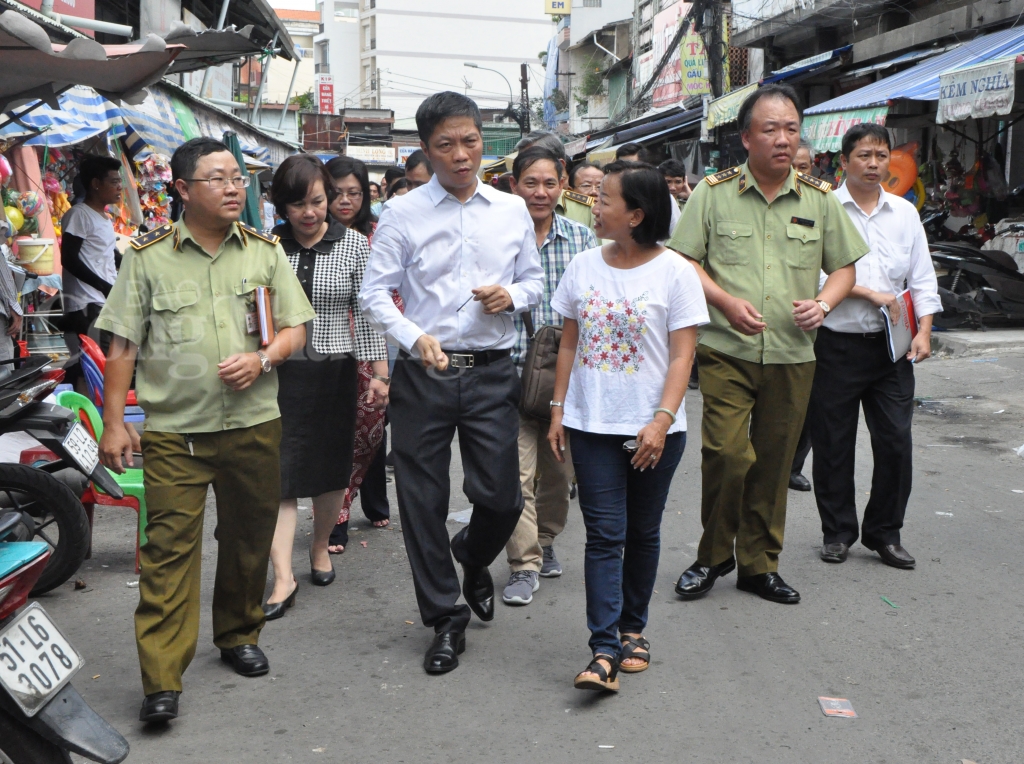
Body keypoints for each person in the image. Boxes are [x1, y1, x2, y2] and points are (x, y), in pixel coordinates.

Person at [95, 137, 315, 723]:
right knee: (167, 551)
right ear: (184, 189)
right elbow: (120, 344)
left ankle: (239, 635)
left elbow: (295, 328)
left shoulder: (265, 253)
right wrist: (115, 423)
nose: (232, 187)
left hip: (253, 425)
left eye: (237, 178)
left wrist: (263, 359)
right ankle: (162, 680)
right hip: (175, 434)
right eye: (217, 178)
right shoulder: (147, 258)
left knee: (248, 540)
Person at [359, 91, 543, 675]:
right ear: (425, 150)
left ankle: (471, 553)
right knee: (422, 500)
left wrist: (511, 295)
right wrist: (414, 338)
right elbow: (373, 293)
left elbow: (535, 283)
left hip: (491, 374)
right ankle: (445, 617)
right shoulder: (403, 214)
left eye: (470, 141)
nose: (461, 155)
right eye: (446, 145)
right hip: (424, 375)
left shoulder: (511, 210)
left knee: (502, 497)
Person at [667, 84, 868, 606]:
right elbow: (685, 260)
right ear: (746, 137)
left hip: (793, 354)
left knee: (775, 462)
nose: (783, 139)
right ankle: (712, 556)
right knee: (728, 454)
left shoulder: (820, 201)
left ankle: (759, 564)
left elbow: (844, 267)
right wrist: (726, 301)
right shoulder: (712, 193)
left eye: (791, 129)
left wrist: (822, 304)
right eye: (770, 129)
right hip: (727, 349)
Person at [547, 161, 708, 691]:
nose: (594, 206)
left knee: (642, 531)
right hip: (592, 424)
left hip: (657, 428)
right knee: (604, 535)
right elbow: (568, 342)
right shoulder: (583, 267)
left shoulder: (677, 272)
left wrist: (660, 421)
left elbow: (683, 358)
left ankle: (633, 627)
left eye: (605, 200)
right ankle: (604, 646)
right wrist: (558, 408)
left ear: (636, 215)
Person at [808, 123, 941, 569]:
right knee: (833, 444)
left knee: (895, 442)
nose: (873, 164)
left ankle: (885, 533)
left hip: (892, 348)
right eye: (864, 155)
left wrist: (923, 331)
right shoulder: (823, 208)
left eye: (881, 156)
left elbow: (921, 279)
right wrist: (867, 292)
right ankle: (838, 532)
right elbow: (814, 277)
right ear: (843, 161)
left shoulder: (905, 213)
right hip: (836, 346)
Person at [263, 155, 389, 619]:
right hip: (277, 371)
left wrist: (379, 374)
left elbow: (371, 313)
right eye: (297, 205)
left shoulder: (355, 245)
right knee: (280, 474)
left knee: (329, 470)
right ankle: (282, 576)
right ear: (282, 206)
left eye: (317, 201)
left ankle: (318, 547)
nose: (310, 212)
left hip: (335, 370)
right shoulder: (267, 245)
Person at [502, 145, 597, 606]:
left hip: (565, 381)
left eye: (549, 183)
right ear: (513, 184)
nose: (540, 192)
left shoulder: (581, 239)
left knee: (558, 473)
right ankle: (524, 564)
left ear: (563, 186)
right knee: (515, 476)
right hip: (508, 374)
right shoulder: (497, 237)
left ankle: (548, 537)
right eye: (530, 183)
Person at [323, 155, 393, 553]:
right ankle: (338, 515)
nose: (345, 201)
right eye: (336, 193)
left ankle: (374, 501)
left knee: (371, 429)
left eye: (354, 192)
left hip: (376, 345)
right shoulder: (309, 236)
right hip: (326, 351)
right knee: (339, 434)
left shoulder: (377, 236)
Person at [61, 154, 123, 384]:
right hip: (86, 303)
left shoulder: (104, 218)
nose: (119, 187)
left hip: (102, 300)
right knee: (98, 364)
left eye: (120, 182)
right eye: (114, 181)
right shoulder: (79, 214)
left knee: (88, 365)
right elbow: (68, 259)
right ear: (96, 184)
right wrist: (104, 286)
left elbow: (111, 255)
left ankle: (81, 413)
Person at [788, 138, 819, 493]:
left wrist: (822, 303)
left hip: (820, 324)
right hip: (767, 324)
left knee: (809, 405)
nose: (797, 173)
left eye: (804, 167)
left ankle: (792, 465)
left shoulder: (822, 203)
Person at [516, 131, 595, 232]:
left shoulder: (587, 210)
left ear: (561, 166)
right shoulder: (506, 209)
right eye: (522, 161)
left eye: (535, 159)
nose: (540, 193)